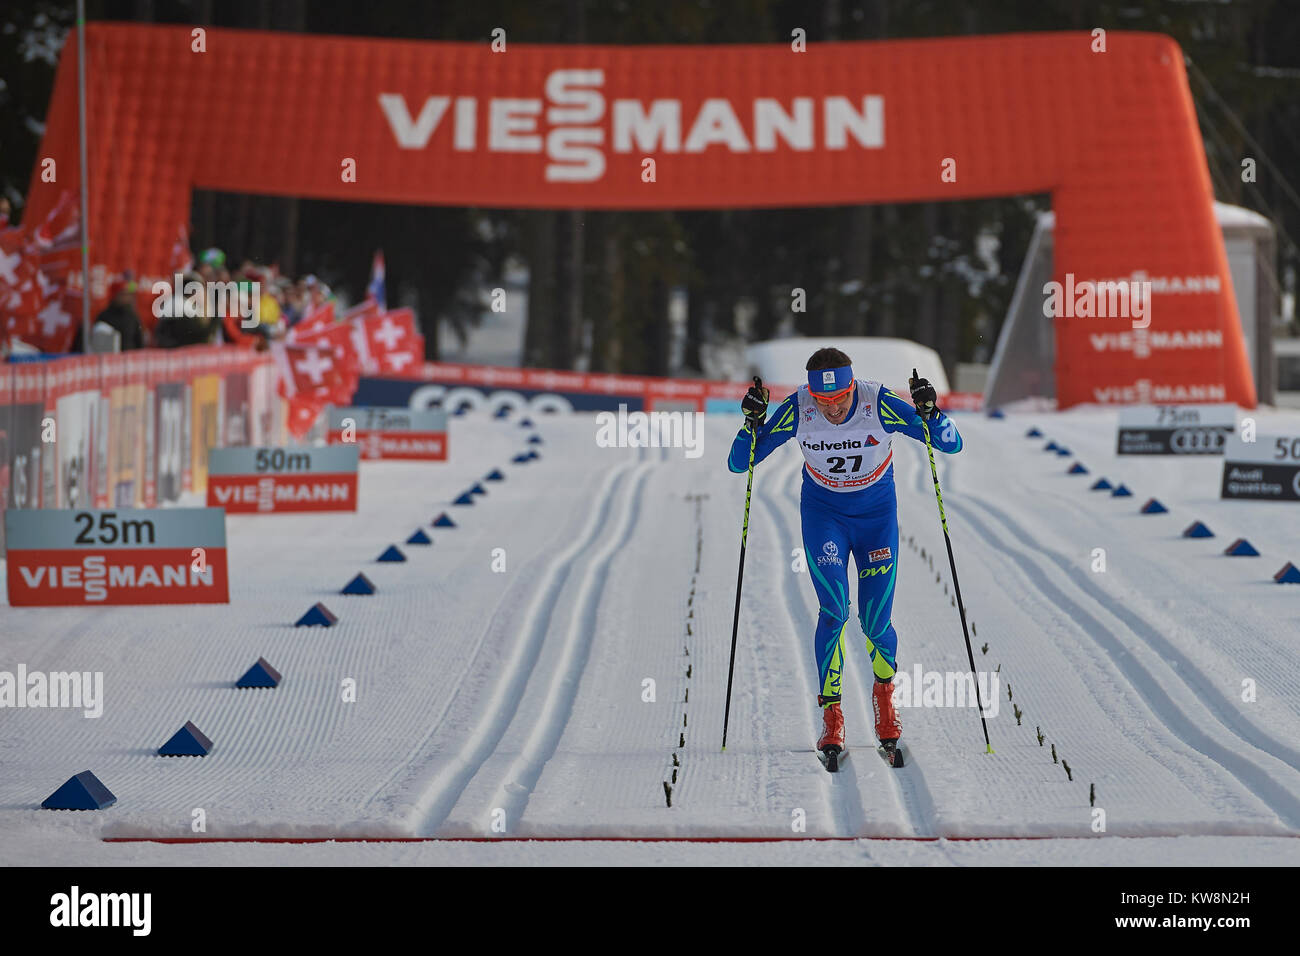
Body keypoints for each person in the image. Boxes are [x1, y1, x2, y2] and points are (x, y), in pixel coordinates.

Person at [726, 347, 964, 762]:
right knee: (834, 611)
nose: (833, 409)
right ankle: (832, 718)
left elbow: (950, 445)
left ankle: (885, 703)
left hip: (875, 519)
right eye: (824, 401)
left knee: (875, 622)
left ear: (853, 387)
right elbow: (738, 463)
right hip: (825, 516)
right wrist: (751, 424)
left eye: (841, 398)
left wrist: (931, 412)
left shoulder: (878, 403)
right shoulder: (799, 408)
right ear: (812, 395)